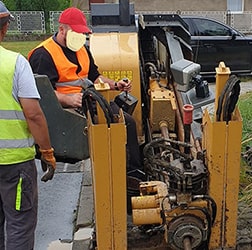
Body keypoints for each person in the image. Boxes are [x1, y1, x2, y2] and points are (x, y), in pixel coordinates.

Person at [28, 7, 144, 181]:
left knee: (127, 122)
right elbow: (42, 94)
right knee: (114, 128)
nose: (80, 38)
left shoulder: (82, 49)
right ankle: (118, 177)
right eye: (76, 34)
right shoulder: (43, 55)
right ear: (62, 30)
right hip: (67, 112)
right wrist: (67, 99)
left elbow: (95, 76)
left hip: (89, 102)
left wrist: (115, 85)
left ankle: (133, 173)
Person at [0, 1, 56, 249]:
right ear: (4, 29)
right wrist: (46, 151)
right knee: (19, 225)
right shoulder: (15, 63)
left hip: (13, 164)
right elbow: (33, 114)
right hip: (15, 165)